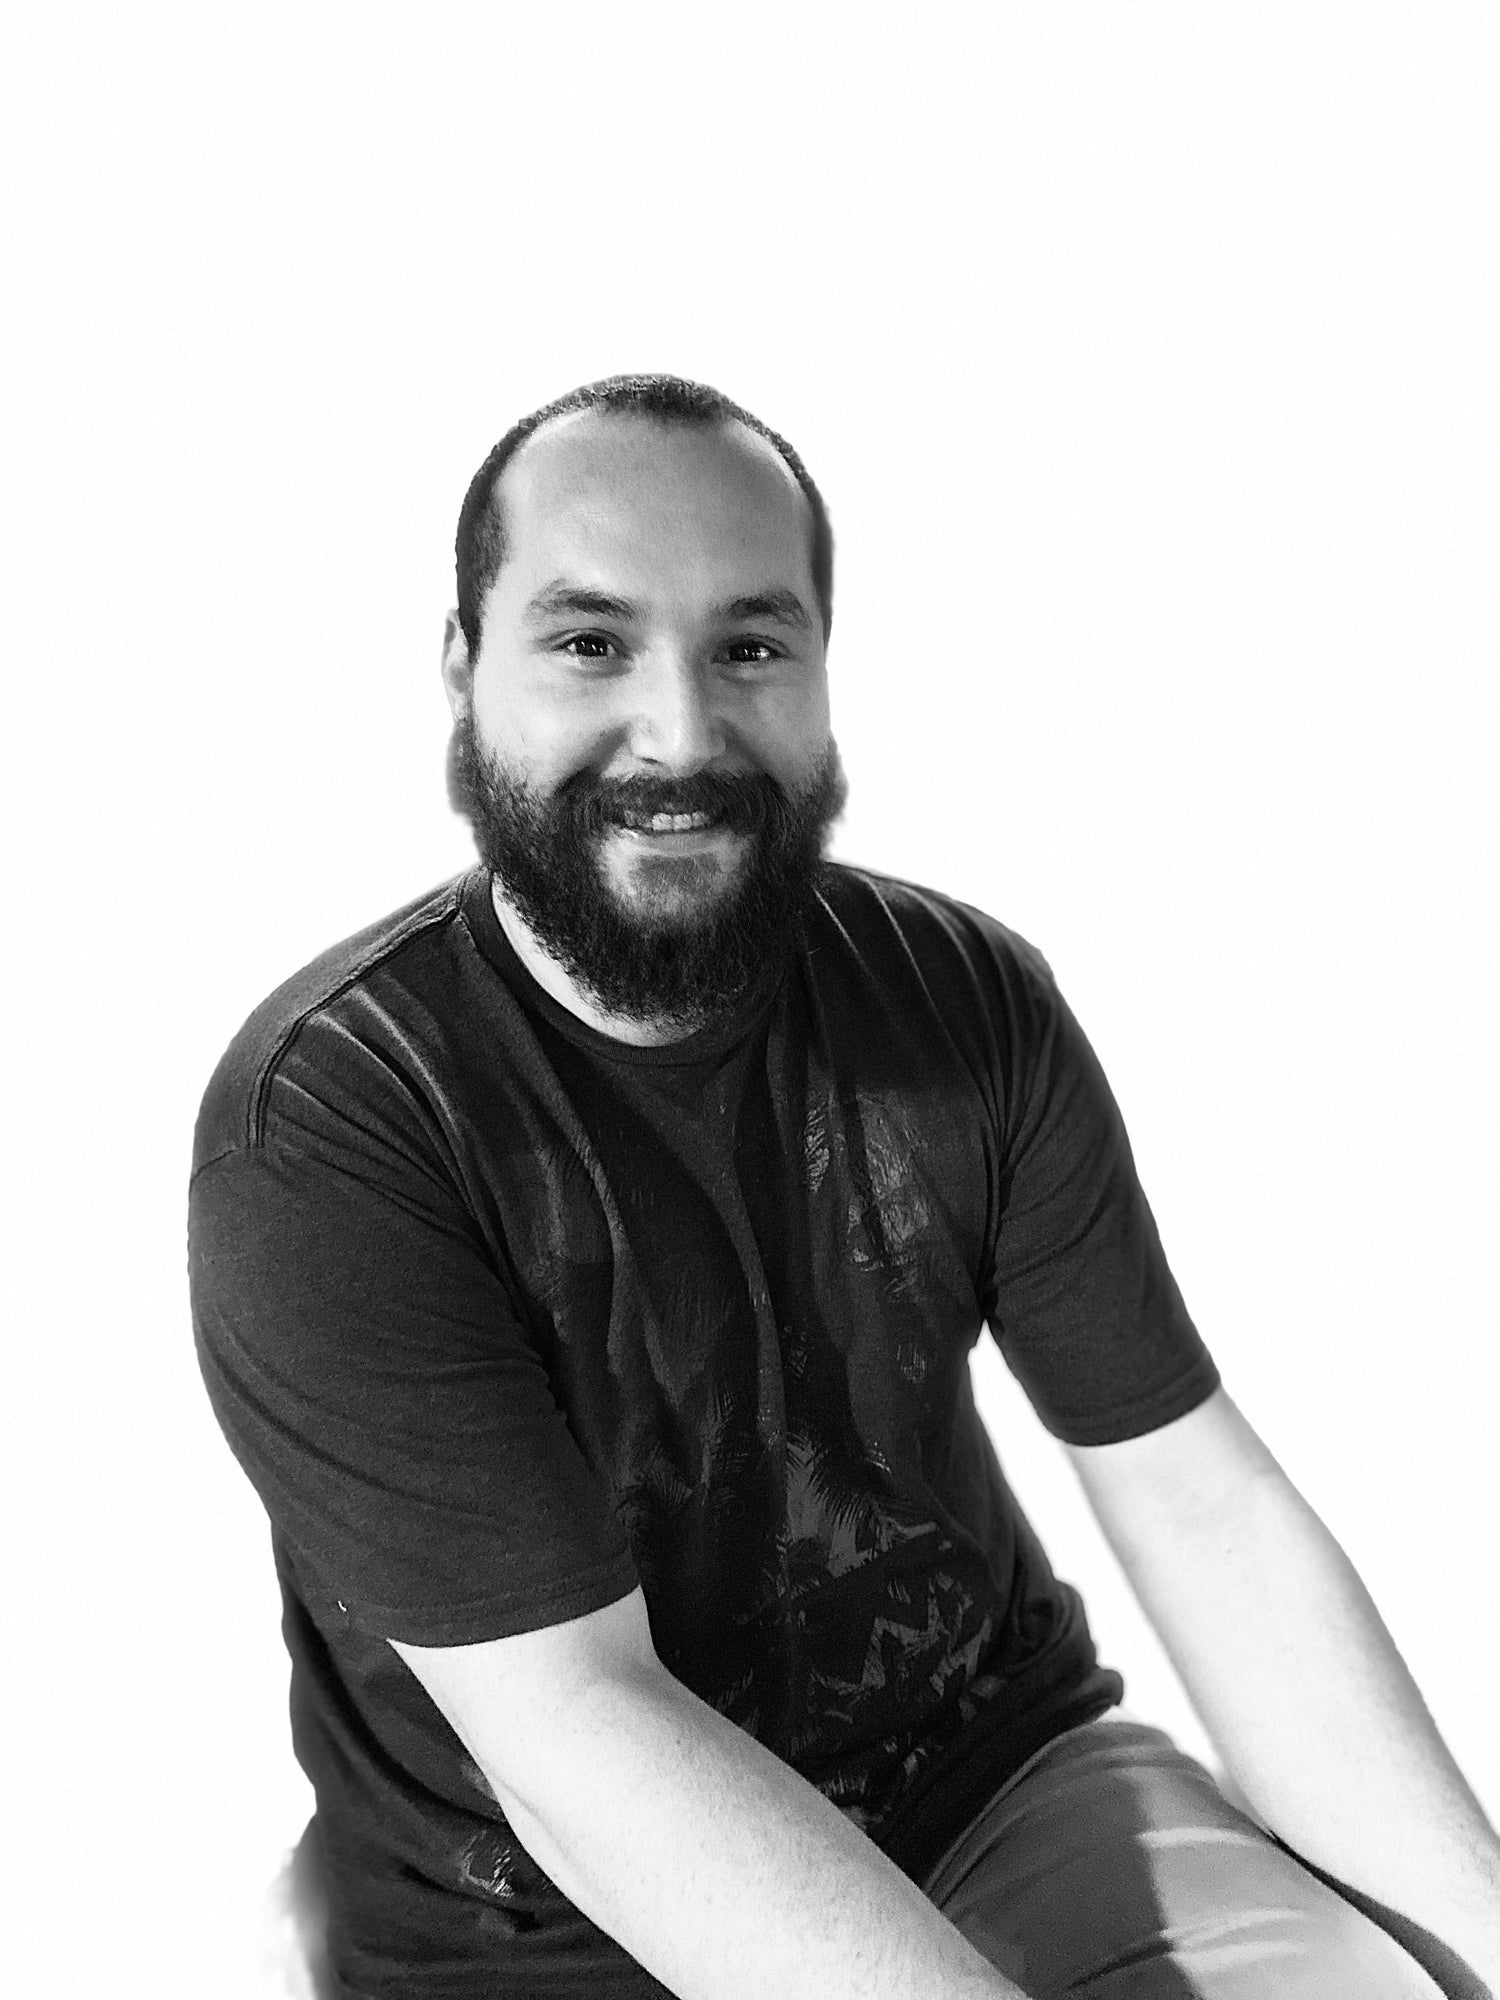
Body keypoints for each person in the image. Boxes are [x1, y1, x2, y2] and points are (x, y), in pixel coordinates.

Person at [189, 374, 1500, 2000]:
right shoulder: (334, 1127)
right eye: (590, 642)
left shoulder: (961, 1000)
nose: (679, 732)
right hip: (545, 1926)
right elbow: (579, 1738)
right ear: (463, 672)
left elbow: (1201, 1507)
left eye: (750, 646)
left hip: (993, 1785)